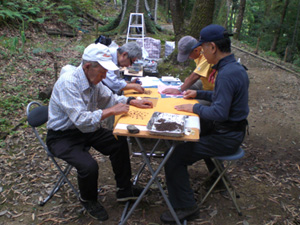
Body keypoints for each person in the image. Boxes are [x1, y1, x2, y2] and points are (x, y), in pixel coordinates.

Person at [46, 43, 153, 221]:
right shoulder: (68, 83)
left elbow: (109, 99)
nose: (104, 76)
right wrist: (111, 112)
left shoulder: (94, 80)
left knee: (118, 142)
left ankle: (124, 189)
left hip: (85, 130)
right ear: (88, 66)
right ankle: (88, 200)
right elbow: (81, 119)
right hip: (62, 135)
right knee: (89, 166)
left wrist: (132, 100)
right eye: (102, 72)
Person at [160, 24, 249, 223]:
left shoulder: (226, 74)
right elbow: (221, 97)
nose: (202, 52)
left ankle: (186, 207)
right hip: (230, 130)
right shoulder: (232, 68)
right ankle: (217, 179)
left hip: (227, 135)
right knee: (190, 129)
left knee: (173, 156)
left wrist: (194, 107)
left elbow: (218, 112)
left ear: (212, 47)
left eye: (203, 47)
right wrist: (198, 93)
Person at [162, 35, 215, 104]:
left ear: (196, 50)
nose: (188, 58)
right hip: (206, 83)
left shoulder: (206, 55)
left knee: (189, 103)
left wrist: (179, 89)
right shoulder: (198, 54)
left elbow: (196, 75)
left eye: (188, 56)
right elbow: (197, 72)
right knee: (187, 85)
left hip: (213, 92)